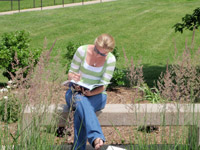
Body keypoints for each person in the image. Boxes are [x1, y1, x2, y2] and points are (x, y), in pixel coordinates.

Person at [65, 33, 116, 150]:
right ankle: (96, 137)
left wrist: (90, 93)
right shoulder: (81, 51)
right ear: (94, 44)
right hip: (75, 93)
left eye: (104, 53)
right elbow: (70, 73)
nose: (100, 55)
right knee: (80, 101)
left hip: (97, 95)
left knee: (81, 108)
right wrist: (74, 78)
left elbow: (104, 85)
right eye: (98, 51)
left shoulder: (111, 59)